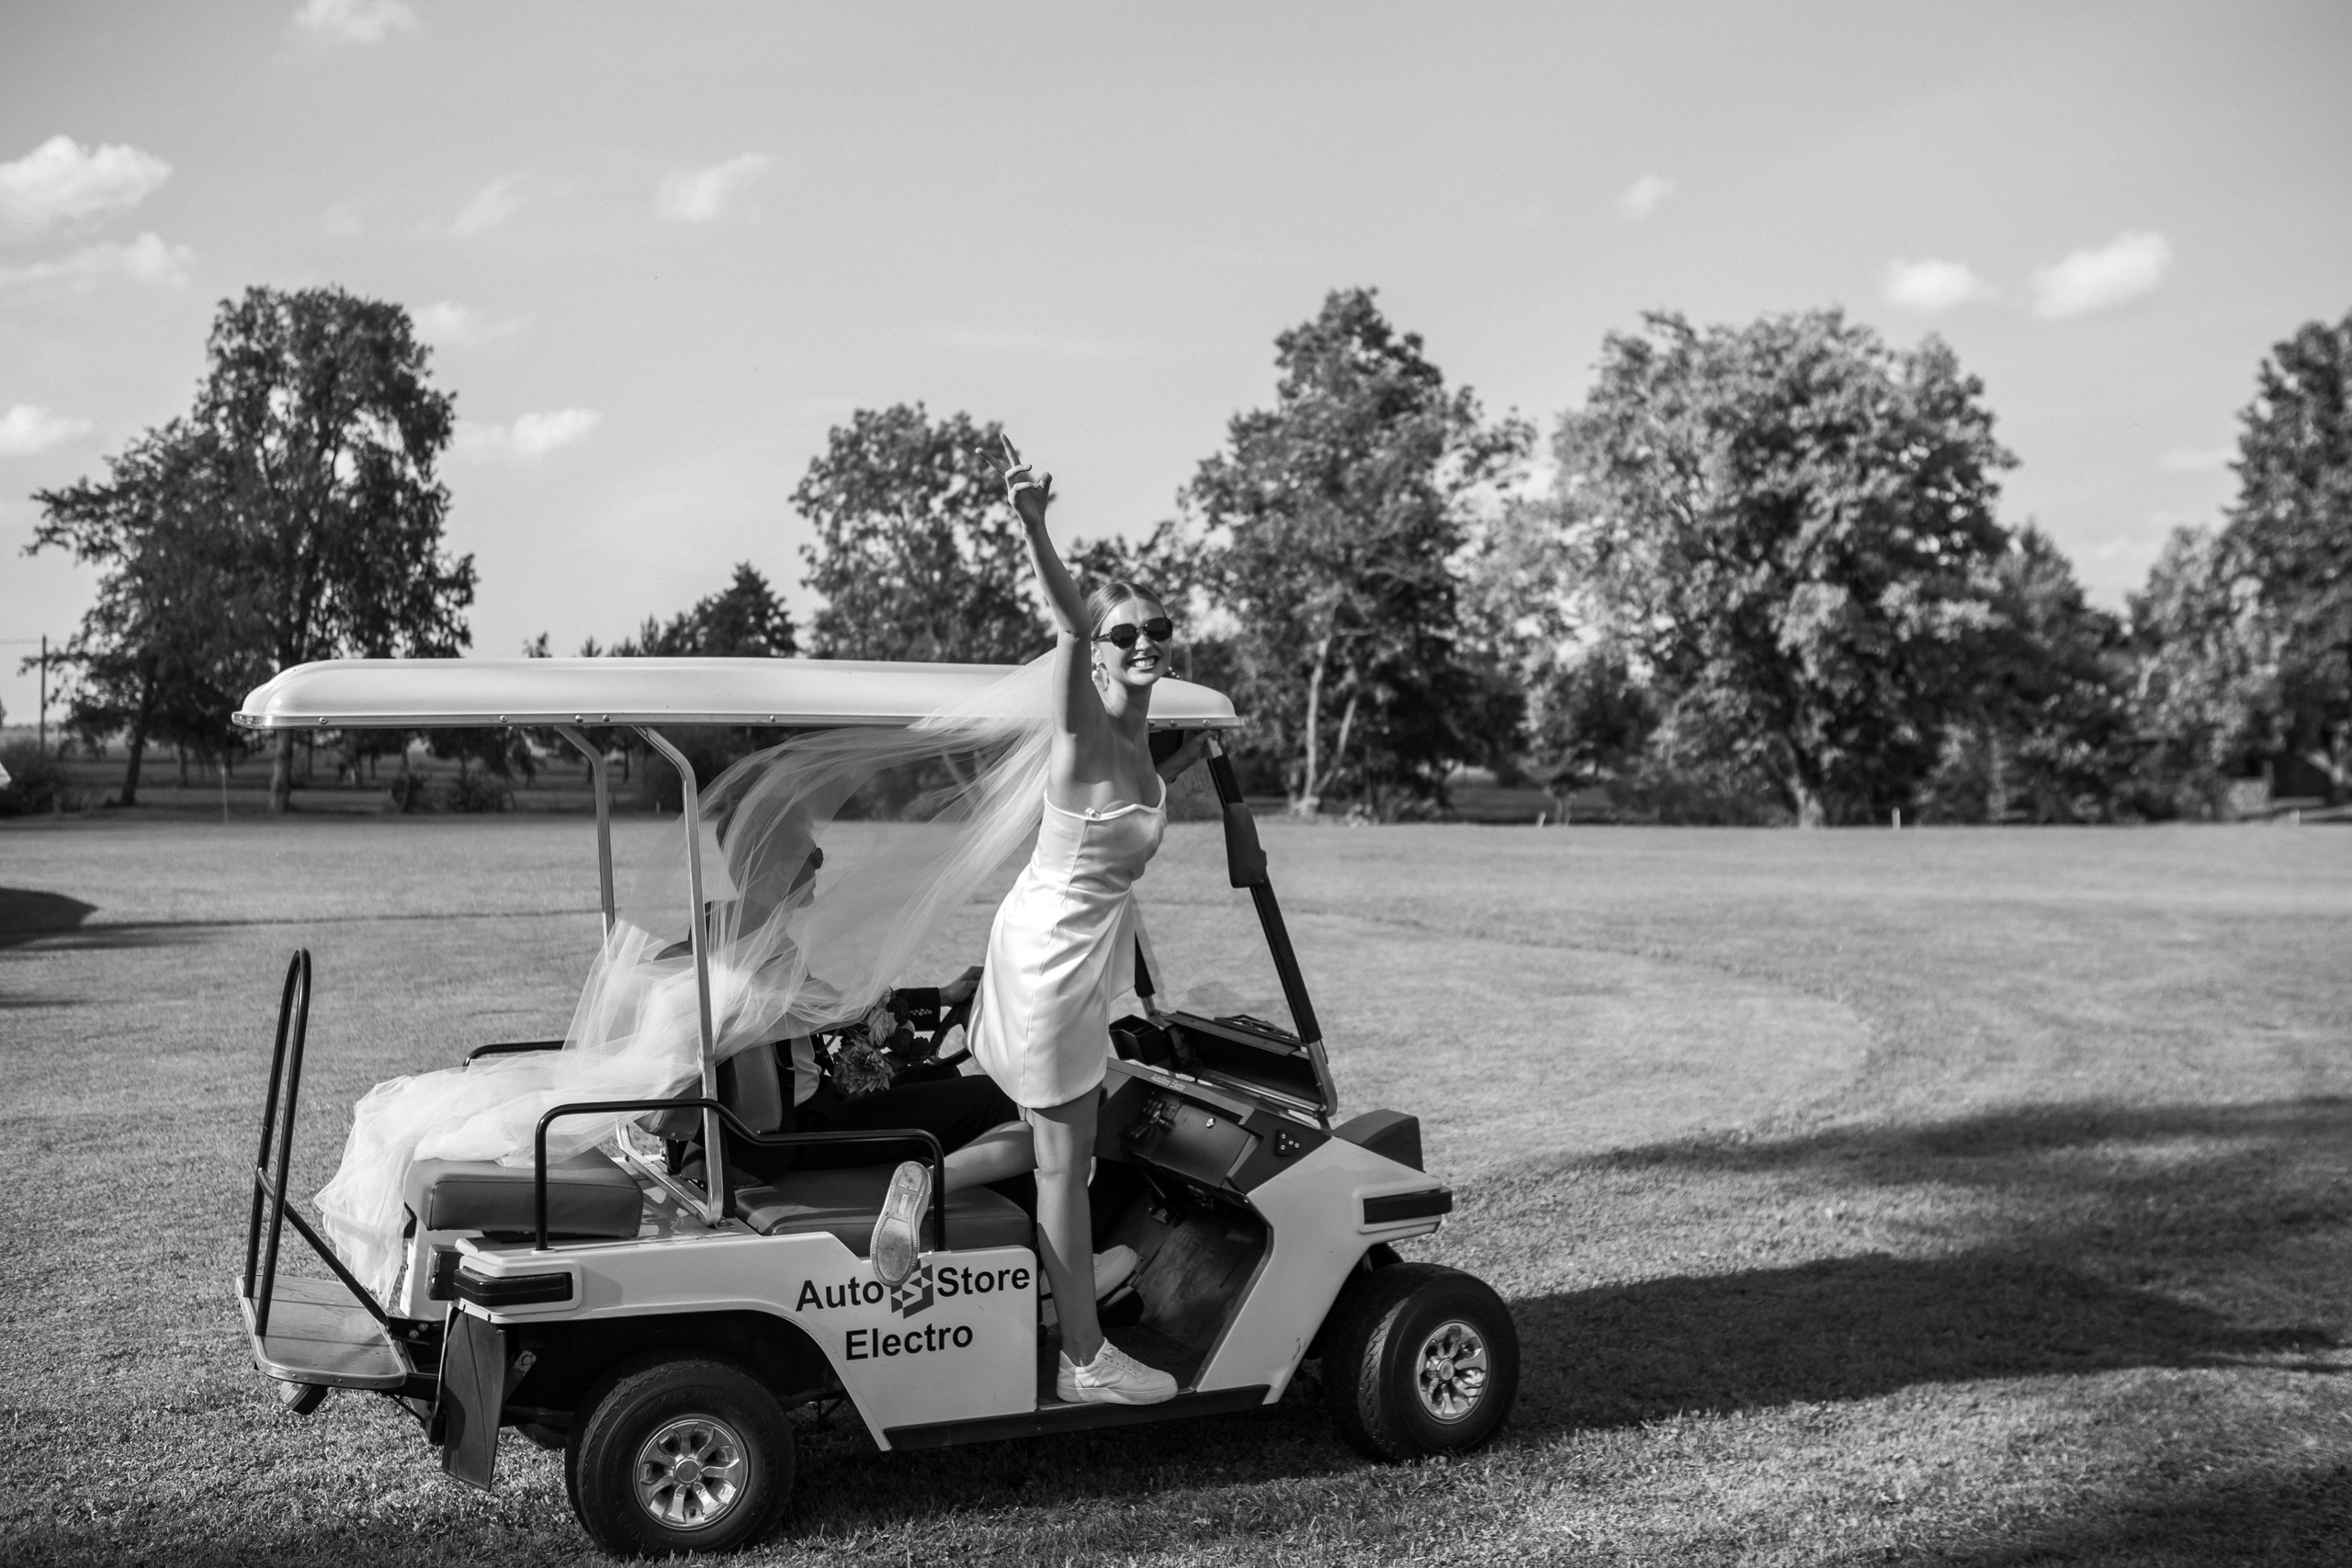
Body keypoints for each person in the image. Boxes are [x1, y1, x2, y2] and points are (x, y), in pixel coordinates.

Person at [870, 436, 1207, 1407]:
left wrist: (1185, 772)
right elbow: (1067, 624)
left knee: (1065, 1131)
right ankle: (1087, 1361)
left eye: (1159, 628)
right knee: (1065, 1166)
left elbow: (1127, 826)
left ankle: (923, 1186)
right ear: (1098, 652)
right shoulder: (1084, 729)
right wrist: (1034, 523)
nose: (1147, 641)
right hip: (1056, 962)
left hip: (1048, 947)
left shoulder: (1142, 746)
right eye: (1127, 633)